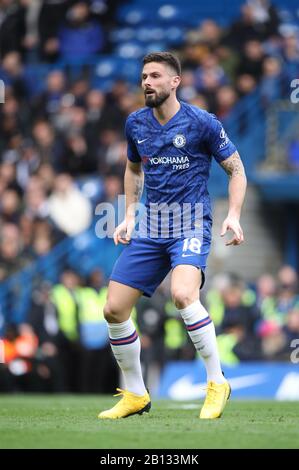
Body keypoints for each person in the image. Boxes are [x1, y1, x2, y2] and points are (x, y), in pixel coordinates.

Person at [98, 52, 247, 420]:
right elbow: (133, 169)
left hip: (191, 222)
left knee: (183, 294)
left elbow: (237, 169)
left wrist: (234, 215)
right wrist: (129, 214)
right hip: (152, 224)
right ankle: (135, 392)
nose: (146, 82)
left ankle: (217, 383)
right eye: (143, 76)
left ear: (174, 81)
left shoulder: (202, 122)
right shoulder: (135, 123)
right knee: (113, 309)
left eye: (155, 76)